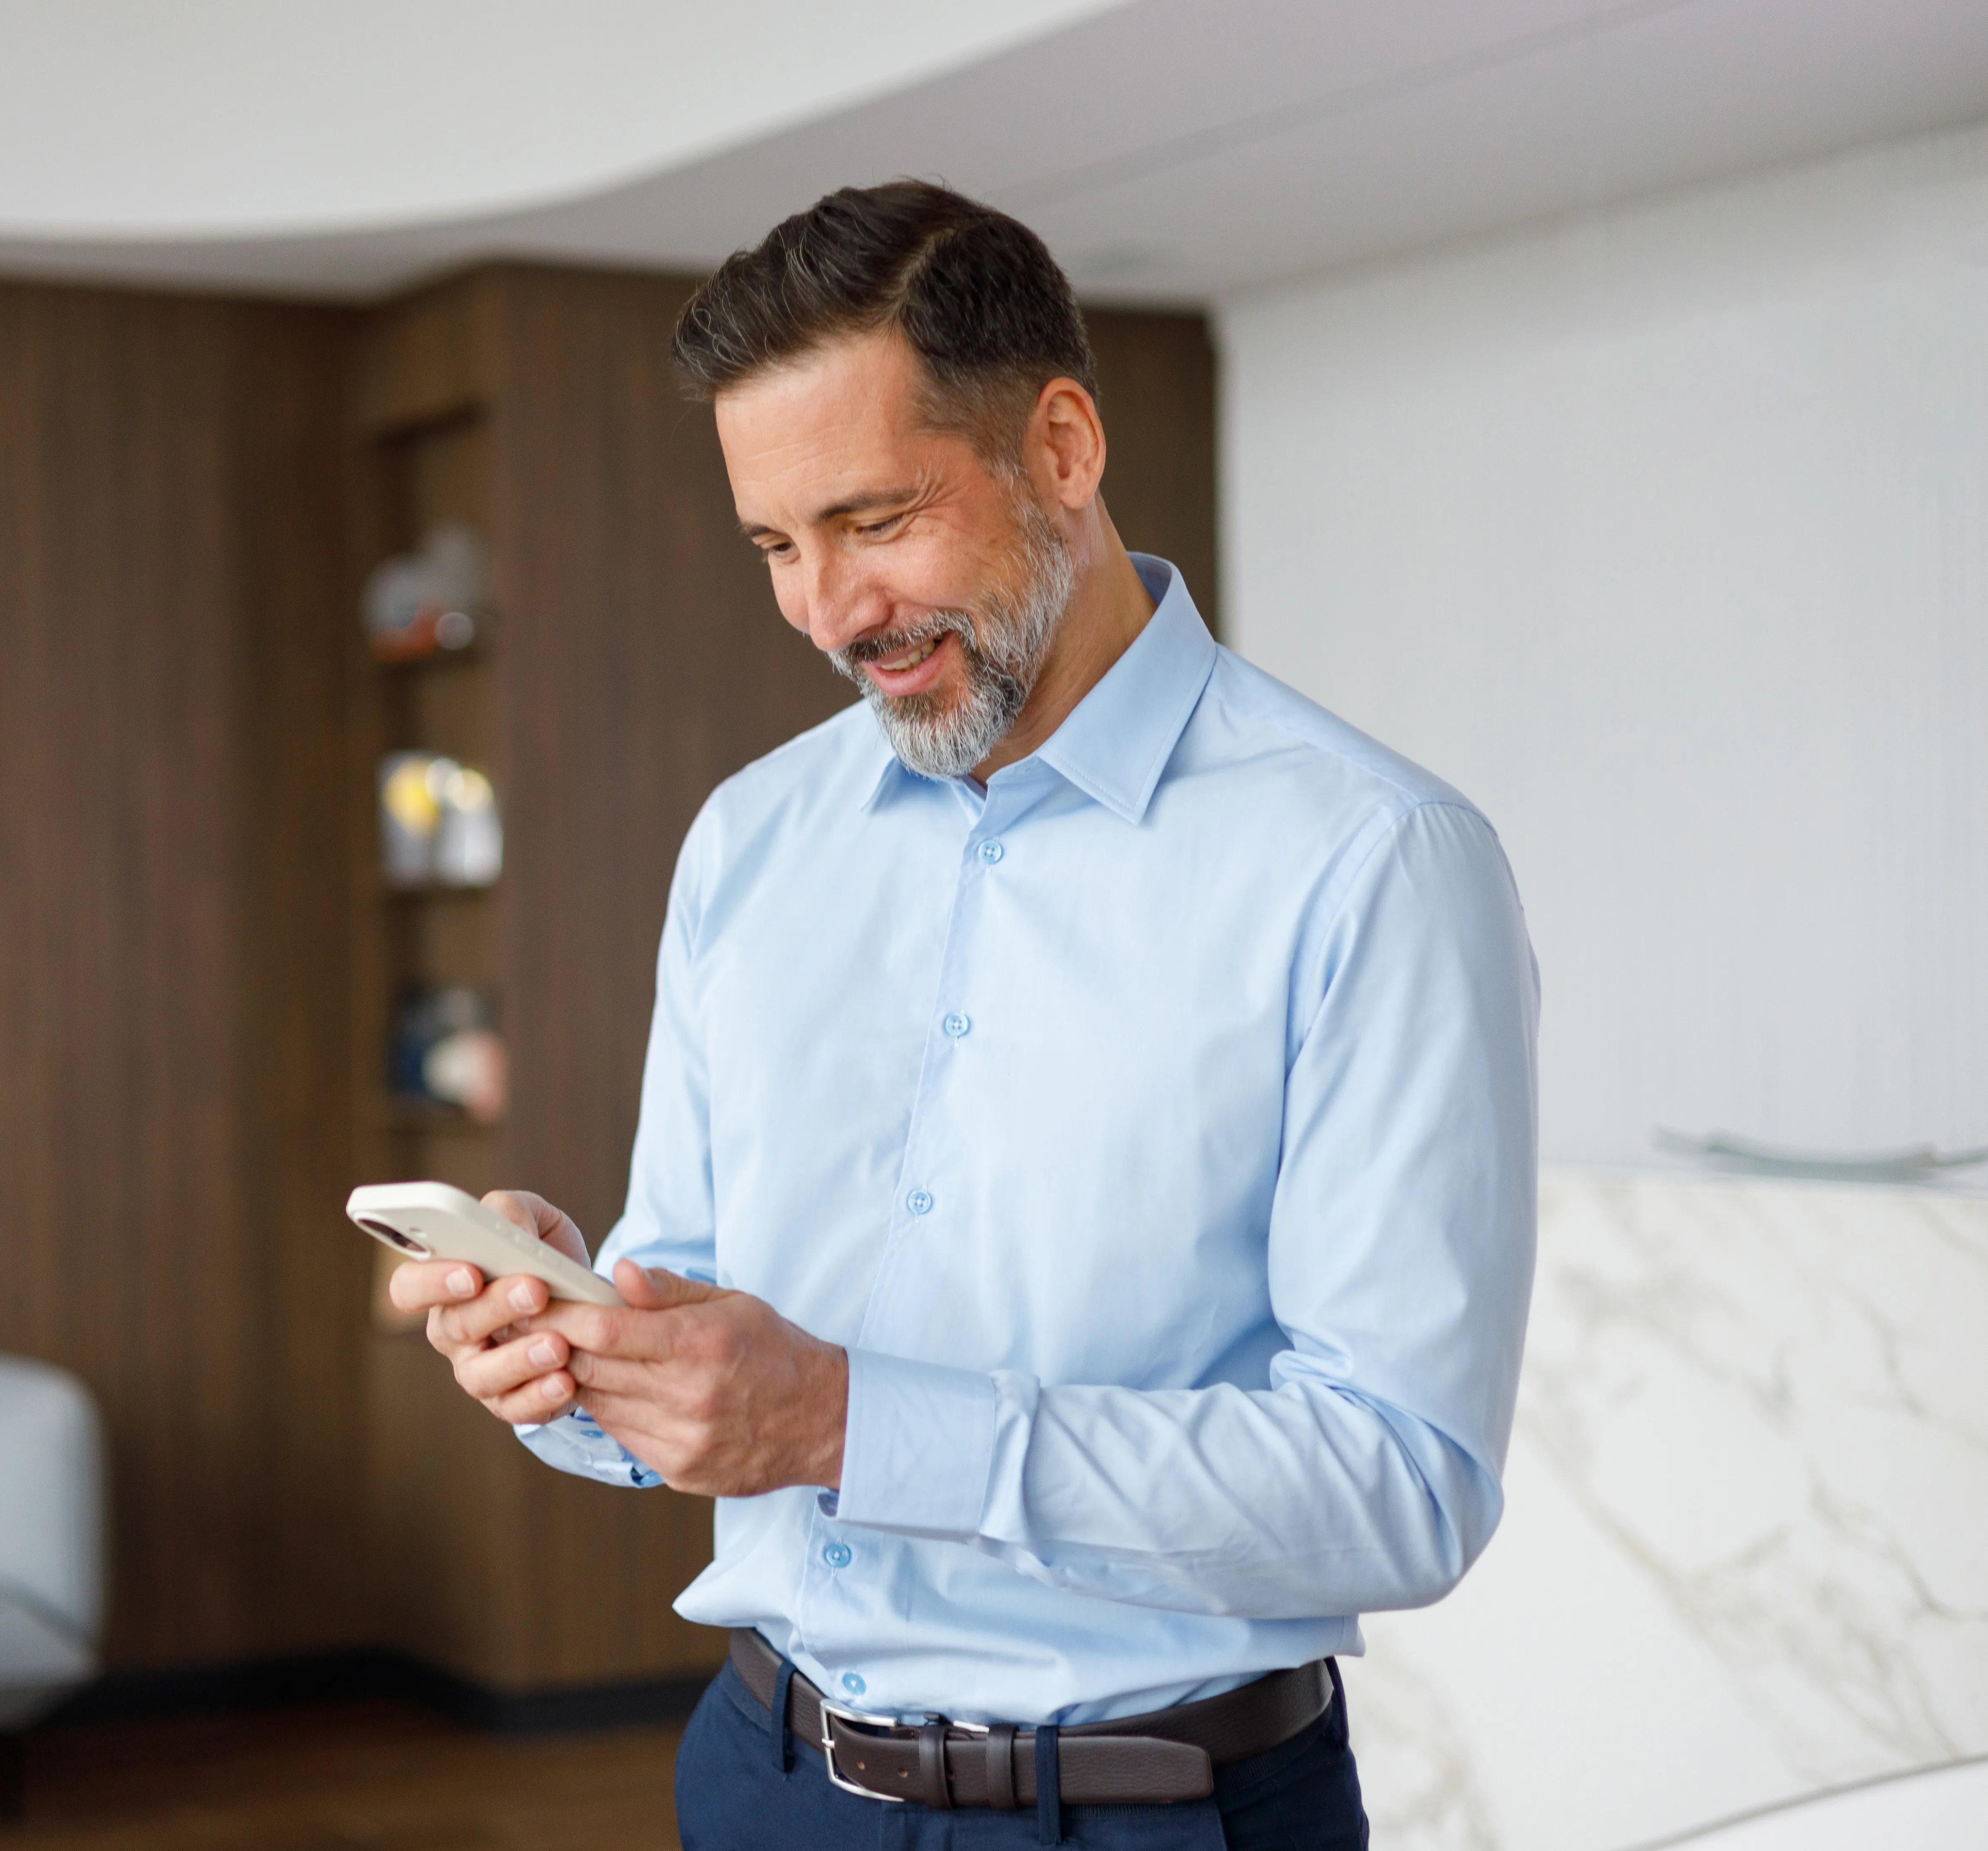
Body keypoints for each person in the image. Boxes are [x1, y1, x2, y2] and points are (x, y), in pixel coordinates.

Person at [388, 180, 1538, 1850]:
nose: (827, 612)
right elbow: (696, 1301)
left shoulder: (1371, 862)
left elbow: (1400, 1485)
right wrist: (576, 1353)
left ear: (1058, 446)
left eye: (873, 520)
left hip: (1151, 1811)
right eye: (776, 546)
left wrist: (854, 1419)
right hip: (760, 1772)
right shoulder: (749, 839)